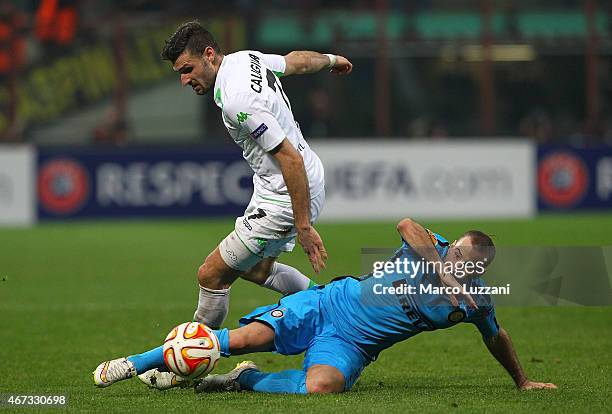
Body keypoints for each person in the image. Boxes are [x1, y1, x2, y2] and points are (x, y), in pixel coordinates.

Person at [93, 217, 556, 393]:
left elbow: (497, 335)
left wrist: (523, 380)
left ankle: (244, 381)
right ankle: (133, 363)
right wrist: (439, 266)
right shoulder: (428, 247)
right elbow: (407, 224)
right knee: (238, 339)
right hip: (326, 305)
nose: (454, 258)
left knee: (322, 389)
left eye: (463, 260)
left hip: (354, 345)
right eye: (454, 250)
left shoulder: (475, 302)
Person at [160, 21, 353, 331]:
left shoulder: (238, 101)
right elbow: (296, 61)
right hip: (289, 181)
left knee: (211, 275)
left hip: (285, 195)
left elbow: (289, 159)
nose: (184, 80)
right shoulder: (245, 58)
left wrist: (303, 226)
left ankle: (194, 355)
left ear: (209, 55)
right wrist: (331, 59)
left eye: (188, 69)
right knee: (254, 269)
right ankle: (331, 309)